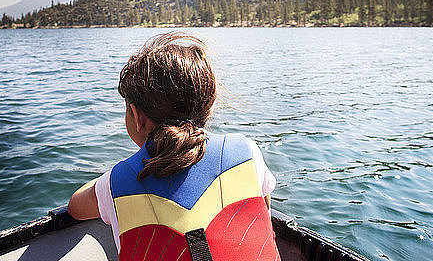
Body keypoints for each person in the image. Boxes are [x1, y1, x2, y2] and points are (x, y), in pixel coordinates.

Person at [68, 32, 280, 260]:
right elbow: (263, 215)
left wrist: (116, 173)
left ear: (137, 116)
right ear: (208, 104)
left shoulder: (117, 182)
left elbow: (75, 207)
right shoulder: (246, 151)